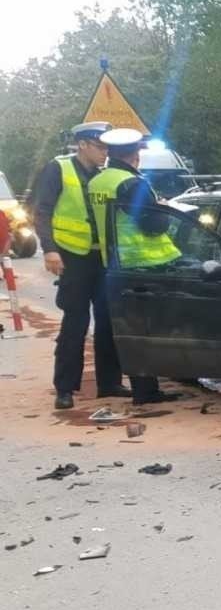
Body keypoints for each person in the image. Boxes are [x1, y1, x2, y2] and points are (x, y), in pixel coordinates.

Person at [31, 121, 131, 409]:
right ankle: (65, 388)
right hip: (72, 256)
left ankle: (109, 383)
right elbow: (43, 211)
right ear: (83, 145)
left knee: (108, 320)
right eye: (101, 147)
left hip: (102, 259)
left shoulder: (104, 174)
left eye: (108, 148)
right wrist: (50, 250)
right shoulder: (59, 168)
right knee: (75, 321)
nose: (105, 153)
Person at [88, 127, 184, 405]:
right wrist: (165, 210)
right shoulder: (131, 183)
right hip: (145, 263)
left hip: (115, 263)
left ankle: (124, 385)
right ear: (135, 155)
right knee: (146, 330)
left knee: (124, 328)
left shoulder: (98, 181)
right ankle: (147, 392)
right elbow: (153, 225)